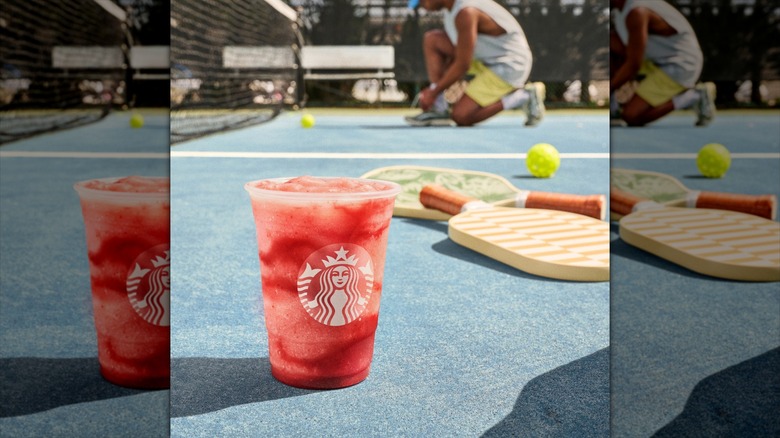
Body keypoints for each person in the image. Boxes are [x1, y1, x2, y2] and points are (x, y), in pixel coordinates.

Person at [405, 0, 545, 127]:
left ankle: (524, 95)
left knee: (461, 116)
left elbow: (462, 64)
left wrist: (433, 92)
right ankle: (439, 108)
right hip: (484, 59)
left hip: (510, 64)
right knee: (433, 40)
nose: (422, 7)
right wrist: (437, 92)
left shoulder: (466, 12)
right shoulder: (451, 11)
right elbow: (456, 55)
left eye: (421, 2)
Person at [610, 0, 715, 127]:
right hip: (655, 60)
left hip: (682, 63)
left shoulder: (637, 12)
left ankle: (694, 95)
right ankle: (613, 107)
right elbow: (621, 46)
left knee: (631, 116)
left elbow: (634, 64)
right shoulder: (618, 11)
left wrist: (609, 88)